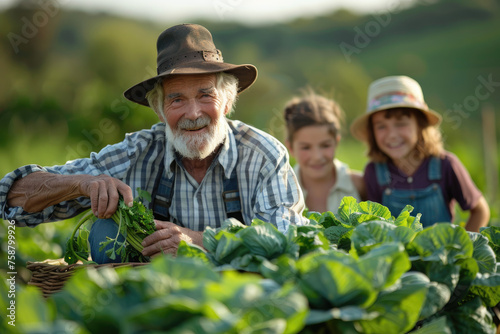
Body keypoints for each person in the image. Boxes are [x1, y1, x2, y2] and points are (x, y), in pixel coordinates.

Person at [0, 23, 308, 263]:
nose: (193, 113)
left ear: (227, 101)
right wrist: (82, 183)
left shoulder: (262, 154)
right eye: (176, 100)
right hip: (152, 304)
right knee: (105, 232)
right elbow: (11, 197)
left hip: (241, 301)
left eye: (205, 95)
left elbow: (286, 240)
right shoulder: (137, 152)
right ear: (159, 111)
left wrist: (199, 241)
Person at [350, 75, 490, 232]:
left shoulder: (446, 165)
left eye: (401, 124)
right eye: (381, 127)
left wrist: (463, 248)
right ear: (372, 132)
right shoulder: (374, 172)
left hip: (441, 254)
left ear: (420, 126)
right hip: (396, 256)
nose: (392, 135)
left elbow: (480, 210)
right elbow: (373, 226)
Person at [283, 89, 366, 213]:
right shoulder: (282, 190)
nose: (317, 156)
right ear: (290, 148)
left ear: (336, 142)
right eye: (306, 147)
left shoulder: (360, 184)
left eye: (325, 145)